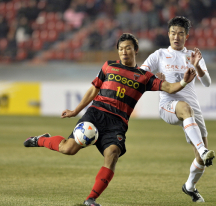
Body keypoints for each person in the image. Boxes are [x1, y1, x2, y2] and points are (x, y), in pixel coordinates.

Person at [24, 33, 196, 206]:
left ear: (135, 50)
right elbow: (94, 90)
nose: (124, 52)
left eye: (128, 48)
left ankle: (91, 199)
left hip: (118, 123)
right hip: (96, 113)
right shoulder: (108, 66)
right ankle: (41, 140)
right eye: (121, 49)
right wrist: (76, 110)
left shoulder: (145, 77)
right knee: (68, 149)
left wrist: (183, 82)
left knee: (112, 154)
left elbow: (169, 87)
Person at [140, 16, 215, 203]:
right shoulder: (159, 55)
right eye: (173, 33)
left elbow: (207, 83)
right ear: (168, 34)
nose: (176, 36)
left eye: (180, 33)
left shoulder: (192, 56)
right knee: (185, 109)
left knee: (201, 158)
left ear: (186, 36)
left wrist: (197, 66)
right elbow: (141, 73)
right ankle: (203, 150)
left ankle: (189, 186)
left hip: (192, 109)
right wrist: (153, 78)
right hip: (168, 106)